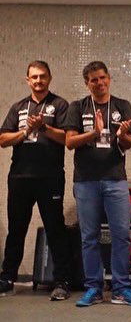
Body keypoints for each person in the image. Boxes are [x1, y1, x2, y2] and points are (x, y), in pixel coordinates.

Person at [64, 61, 131, 307]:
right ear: (86, 83)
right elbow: (69, 142)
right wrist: (93, 133)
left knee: (121, 235)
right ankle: (93, 289)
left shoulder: (122, 105)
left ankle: (121, 288)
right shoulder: (77, 107)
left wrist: (122, 135)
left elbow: (128, 144)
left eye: (102, 78)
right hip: (86, 181)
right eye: (93, 80)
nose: (99, 83)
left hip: (115, 179)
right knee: (89, 237)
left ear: (109, 78)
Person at [0, 61, 71, 300]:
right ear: (28, 80)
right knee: (16, 229)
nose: (38, 81)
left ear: (49, 78)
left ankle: (61, 281)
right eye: (34, 77)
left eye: (42, 76)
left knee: (55, 229)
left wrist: (43, 128)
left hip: (50, 178)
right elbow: (3, 139)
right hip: (20, 177)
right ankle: (7, 278)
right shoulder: (18, 107)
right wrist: (25, 132)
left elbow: (67, 138)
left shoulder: (60, 105)